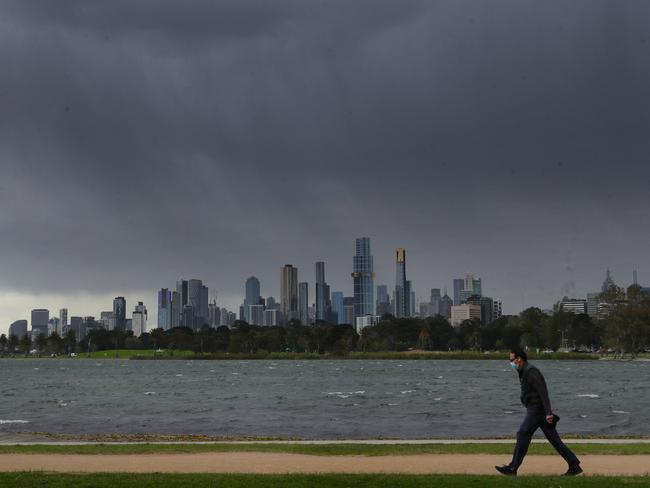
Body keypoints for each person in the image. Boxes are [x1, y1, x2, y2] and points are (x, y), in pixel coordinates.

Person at [495, 348, 582, 476]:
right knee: (553, 439)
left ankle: (512, 468)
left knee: (523, 433)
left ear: (519, 359)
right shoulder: (524, 371)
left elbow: (543, 392)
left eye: (511, 360)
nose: (511, 362)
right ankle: (574, 464)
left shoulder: (531, 371)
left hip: (536, 410)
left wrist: (548, 412)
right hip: (536, 409)